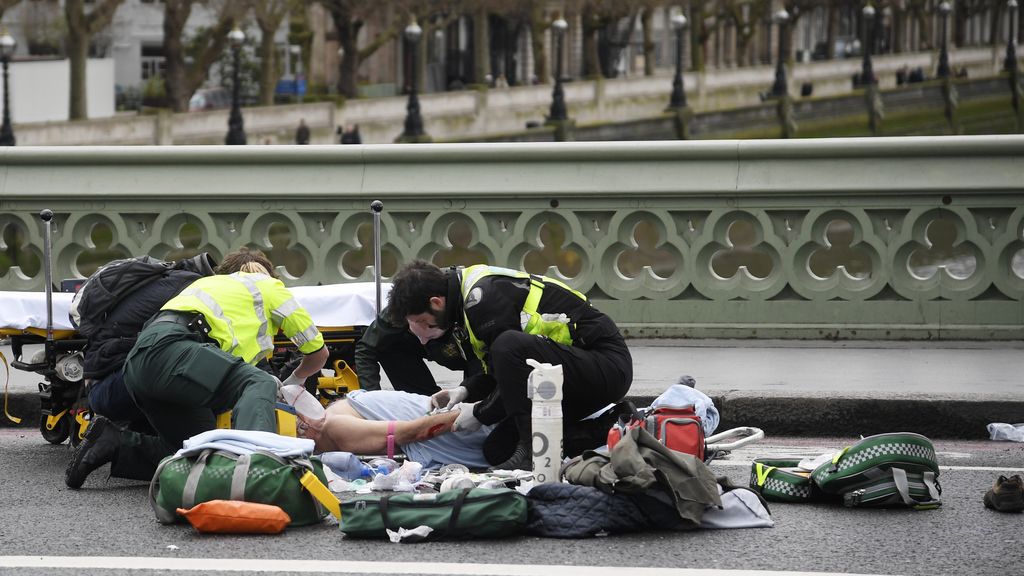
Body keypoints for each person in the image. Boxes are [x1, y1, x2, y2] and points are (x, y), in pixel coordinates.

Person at [65, 248, 329, 489]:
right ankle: (259, 473)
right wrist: (293, 383)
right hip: (172, 350)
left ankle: (113, 443)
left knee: (204, 450)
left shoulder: (204, 283)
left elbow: (229, 375)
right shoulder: (268, 286)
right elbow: (318, 353)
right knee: (260, 383)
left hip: (139, 364)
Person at [386, 261, 633, 471]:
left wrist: (481, 412)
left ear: (436, 302)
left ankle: (533, 455)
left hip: (605, 366)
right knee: (497, 450)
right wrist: (466, 391)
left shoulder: (481, 298)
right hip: (564, 374)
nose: (423, 334)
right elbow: (501, 371)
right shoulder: (460, 302)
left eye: (422, 321)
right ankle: (612, 425)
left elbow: (510, 358)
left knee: (508, 344)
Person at [298, 389, 492, 469]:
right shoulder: (340, 408)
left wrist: (480, 411)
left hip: (456, 425)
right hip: (440, 413)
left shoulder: (334, 426)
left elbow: (412, 432)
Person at [354, 304, 482, 396]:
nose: (423, 340)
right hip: (426, 348)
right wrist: (373, 399)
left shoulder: (473, 306)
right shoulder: (402, 307)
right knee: (386, 344)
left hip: (474, 351)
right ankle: (424, 402)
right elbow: (366, 349)